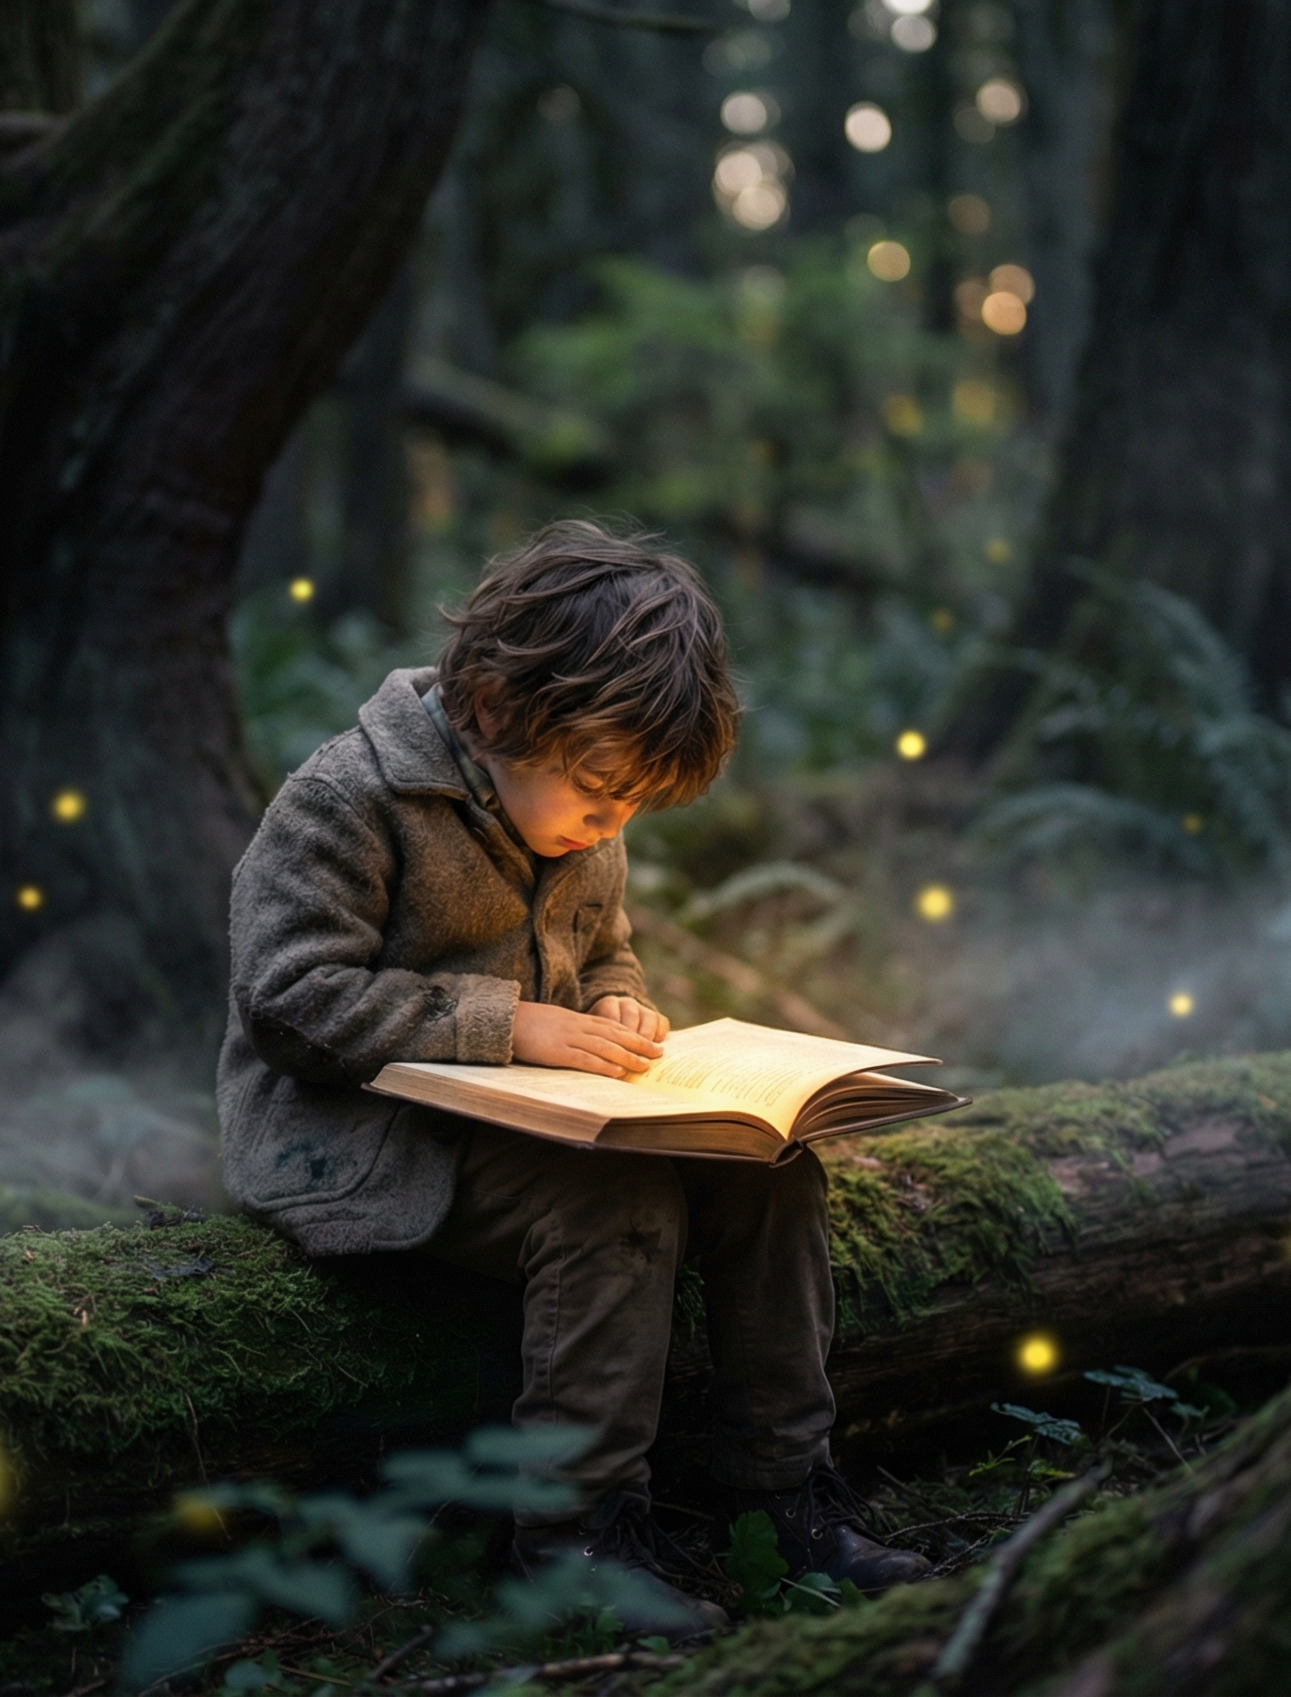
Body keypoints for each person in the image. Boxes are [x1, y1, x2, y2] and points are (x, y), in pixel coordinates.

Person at [217, 521, 931, 1629]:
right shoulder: (345, 799)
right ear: (496, 707)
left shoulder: (575, 802)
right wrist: (510, 1026)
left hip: (533, 1117)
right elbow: (287, 999)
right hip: (361, 1143)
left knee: (772, 1169)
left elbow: (604, 941)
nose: (614, 824)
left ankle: (783, 1497)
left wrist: (612, 997)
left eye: (634, 805)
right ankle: (573, 1540)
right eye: (602, 793)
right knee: (615, 1199)